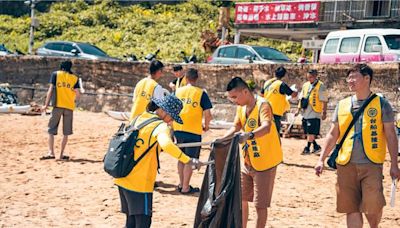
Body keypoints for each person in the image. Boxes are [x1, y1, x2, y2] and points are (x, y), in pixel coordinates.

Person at [315, 64, 400, 228]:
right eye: (349, 77)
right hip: (346, 164)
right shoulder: (342, 104)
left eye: (354, 77)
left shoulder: (382, 104)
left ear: (367, 78)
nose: (350, 81)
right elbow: (333, 134)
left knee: (372, 206)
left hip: (372, 163)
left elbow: (390, 135)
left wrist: (394, 165)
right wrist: (321, 159)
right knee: (351, 208)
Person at [114, 94, 205, 228]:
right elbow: (167, 144)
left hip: (123, 178)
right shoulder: (160, 126)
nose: (171, 121)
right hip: (140, 183)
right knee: (143, 223)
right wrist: (188, 160)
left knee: (130, 222)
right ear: (163, 110)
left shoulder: (139, 118)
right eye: (172, 117)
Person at [219, 77, 283, 228]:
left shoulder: (263, 105)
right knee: (242, 201)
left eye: (235, 97)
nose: (234, 101)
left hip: (265, 162)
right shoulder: (241, 108)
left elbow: (267, 127)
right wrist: (221, 139)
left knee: (260, 205)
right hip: (247, 162)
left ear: (245, 91)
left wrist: (249, 135)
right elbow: (236, 127)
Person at [173, 68, 213, 194]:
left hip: (178, 129)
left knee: (181, 158)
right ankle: (185, 187)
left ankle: (181, 183)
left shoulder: (178, 91)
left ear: (185, 78)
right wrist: (206, 126)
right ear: (197, 78)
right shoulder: (201, 93)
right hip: (193, 131)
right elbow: (208, 114)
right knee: (190, 159)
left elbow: (171, 109)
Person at [41, 60, 80, 160]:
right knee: (66, 132)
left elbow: (50, 90)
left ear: (61, 66)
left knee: (51, 129)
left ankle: (51, 153)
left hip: (57, 105)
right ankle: (61, 154)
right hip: (69, 107)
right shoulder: (75, 78)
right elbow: (78, 94)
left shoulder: (56, 74)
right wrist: (73, 100)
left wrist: (46, 105)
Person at [296, 69, 328, 154]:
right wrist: (298, 109)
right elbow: (301, 98)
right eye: (308, 77)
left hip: (315, 111)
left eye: (311, 77)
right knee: (308, 131)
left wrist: (324, 112)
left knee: (311, 131)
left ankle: (307, 148)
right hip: (305, 111)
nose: (309, 79)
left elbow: (324, 100)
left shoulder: (321, 86)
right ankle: (316, 146)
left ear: (315, 76)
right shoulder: (305, 85)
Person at [261, 66, 298, 133]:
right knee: (275, 133)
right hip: (275, 113)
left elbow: (262, 95)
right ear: (284, 75)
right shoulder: (281, 84)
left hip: (265, 111)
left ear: (275, 73)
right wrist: (296, 91)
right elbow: (293, 95)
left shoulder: (267, 82)